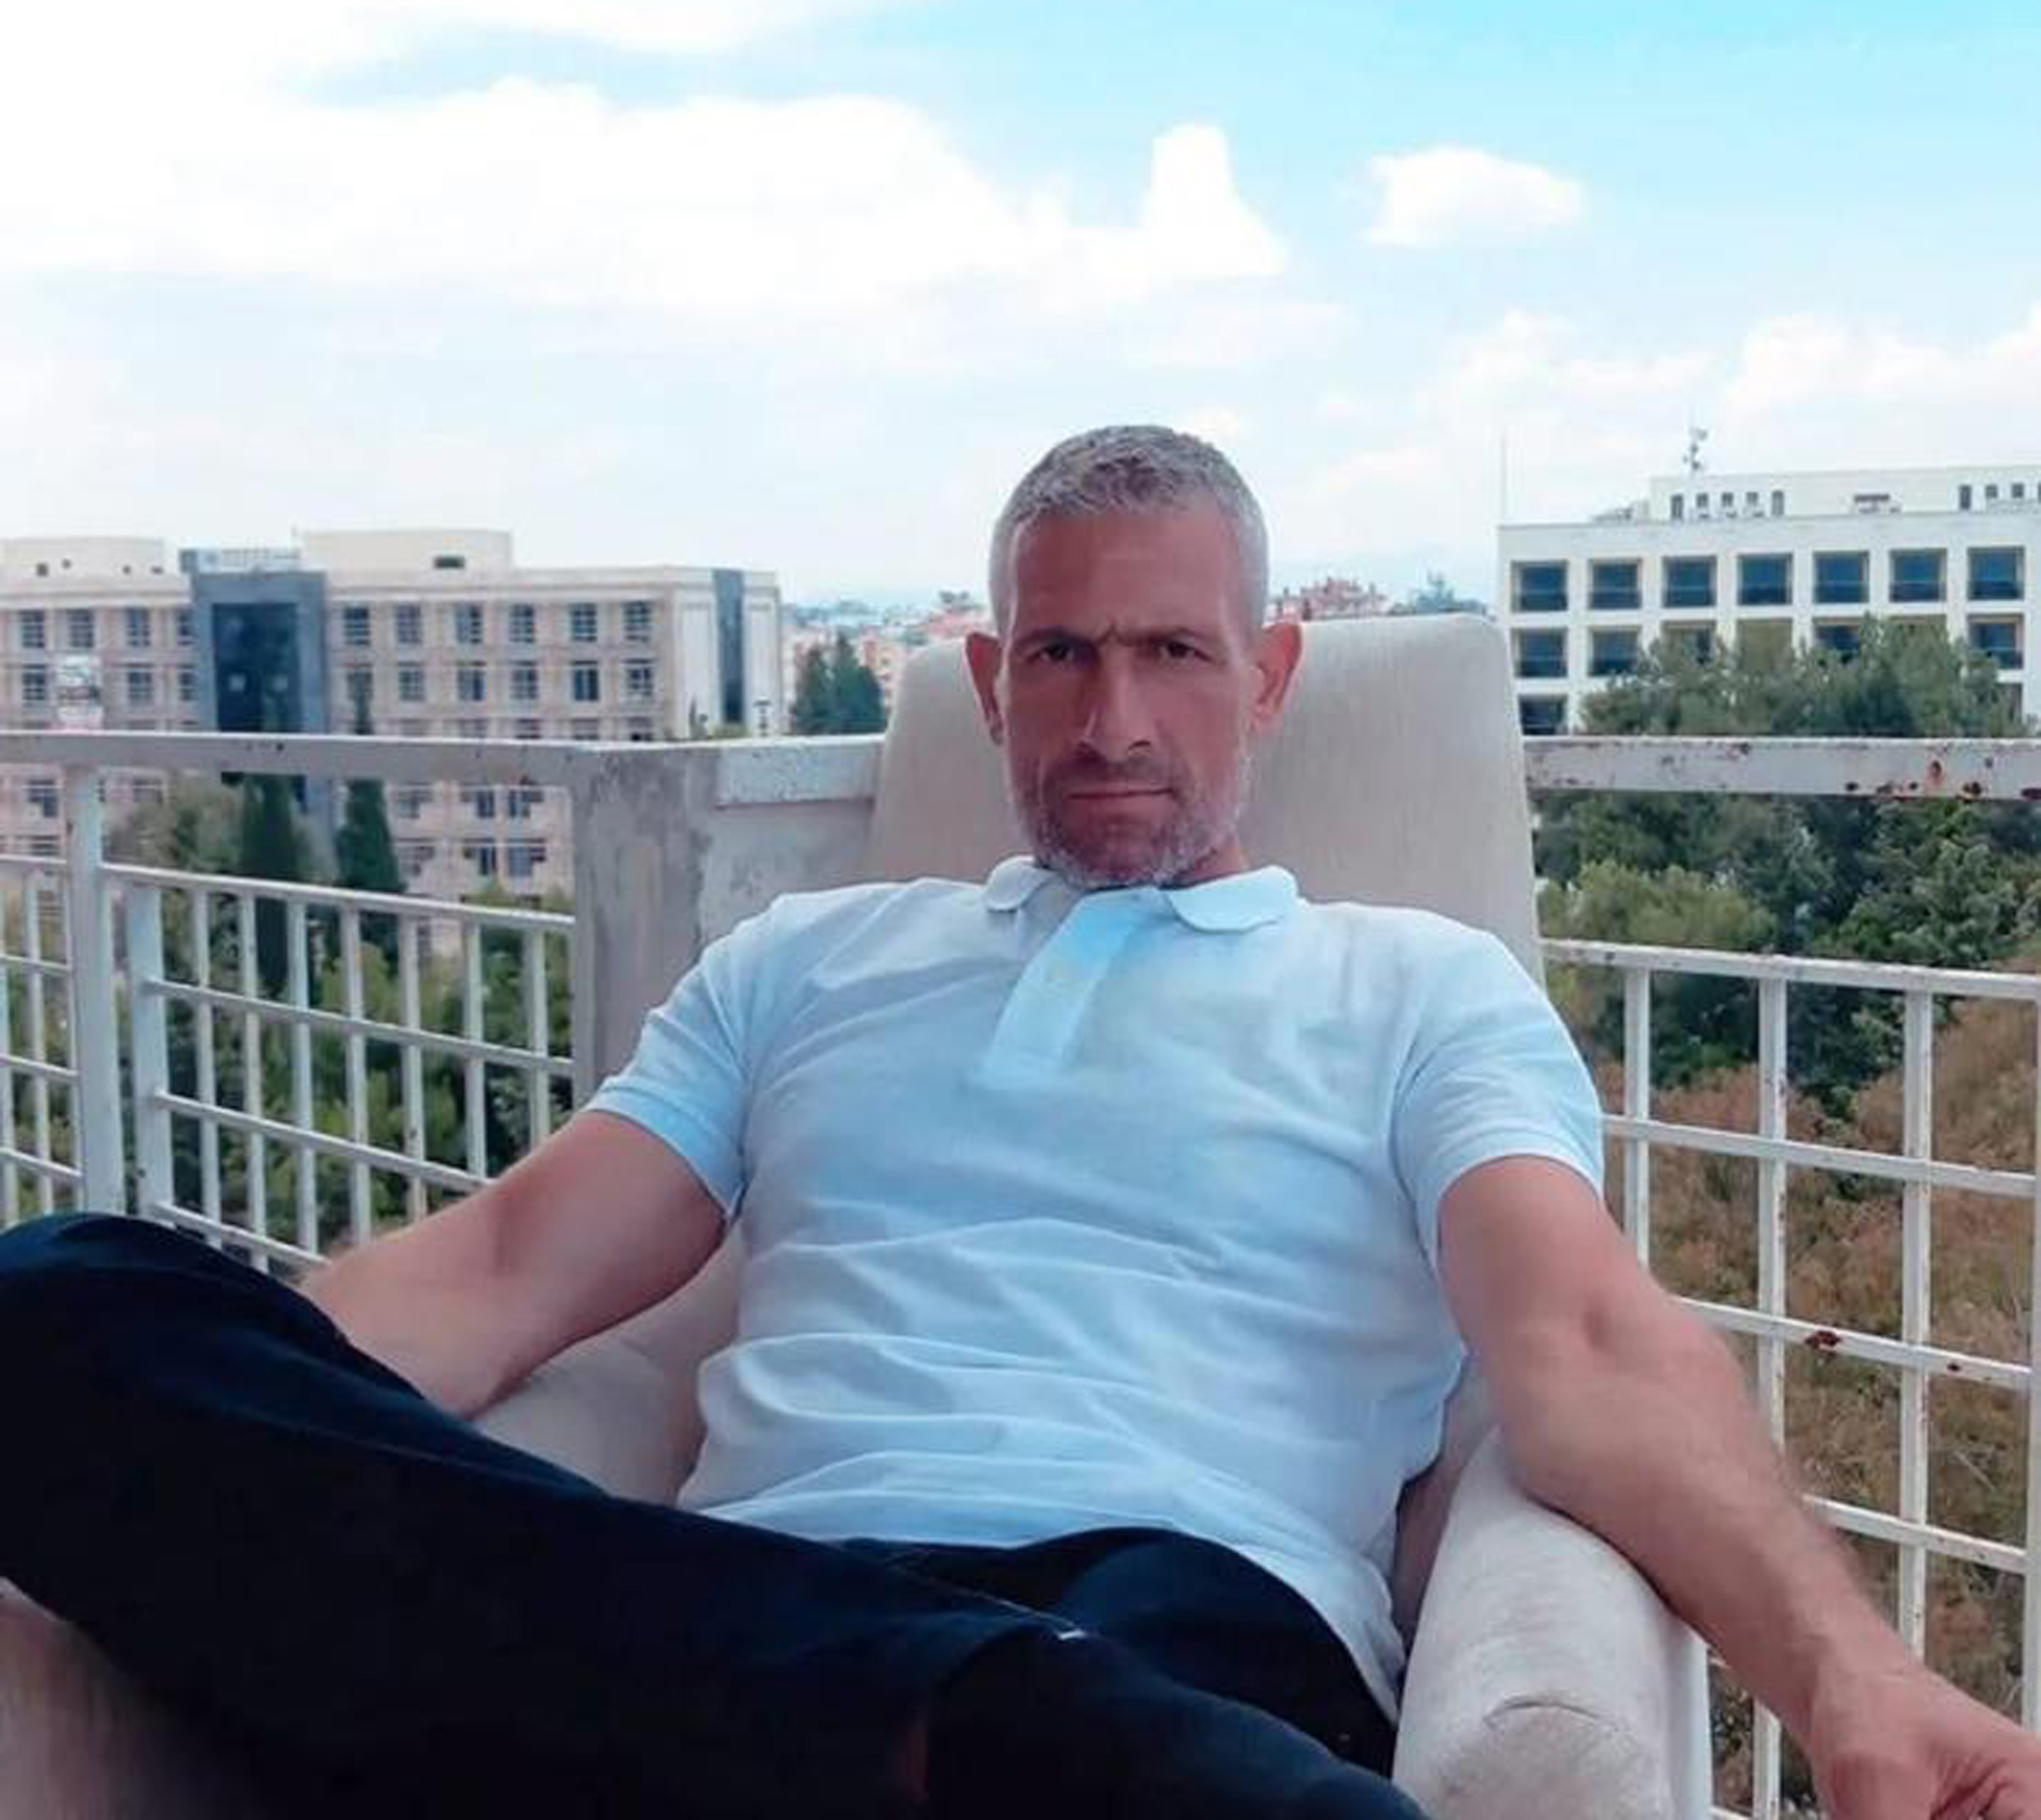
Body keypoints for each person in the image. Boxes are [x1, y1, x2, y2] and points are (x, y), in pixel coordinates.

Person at [0, 425, 2034, 1820]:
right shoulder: (809, 962)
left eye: (1169, 653)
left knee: (1071, 1724)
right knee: (66, 1298)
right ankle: (979, 1712)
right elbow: (503, 1266)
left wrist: (1848, 1681)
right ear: (986, 678)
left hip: (1172, 1619)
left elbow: (1579, 1341)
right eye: (1058, 654)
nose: (1110, 720)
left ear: (1270, 672)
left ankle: (1003, 1712)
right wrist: (248, 1439)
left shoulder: (1413, 990)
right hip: (748, 1610)